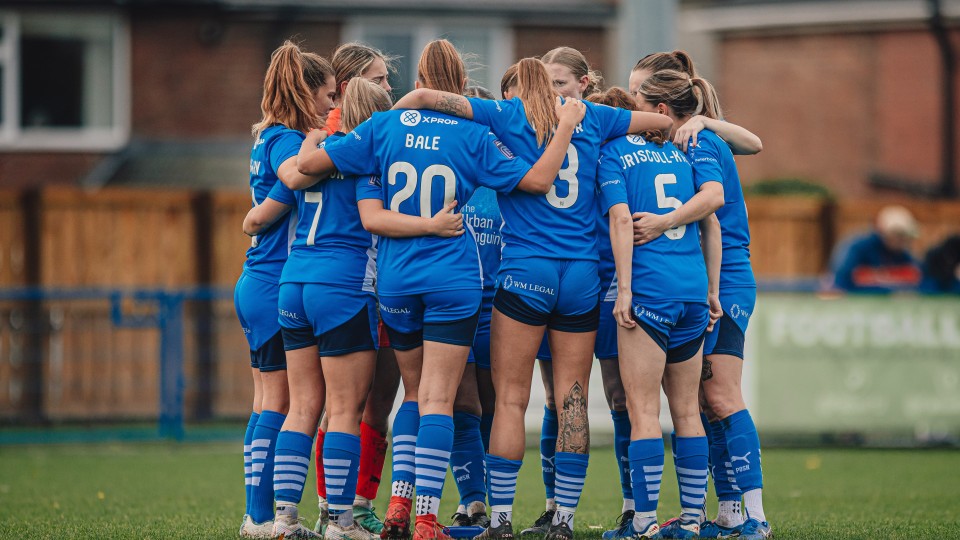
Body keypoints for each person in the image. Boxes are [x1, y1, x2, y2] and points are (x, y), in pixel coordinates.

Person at [296, 39, 586, 540]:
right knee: (439, 399)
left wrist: (319, 133)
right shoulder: (473, 135)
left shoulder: (383, 127)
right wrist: (563, 129)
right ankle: (429, 516)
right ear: (458, 81)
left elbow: (309, 168)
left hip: (396, 282)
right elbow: (538, 182)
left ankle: (396, 510)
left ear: (418, 80)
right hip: (454, 280)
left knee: (412, 394)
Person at [392, 57, 673, 540]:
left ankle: (499, 521)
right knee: (573, 401)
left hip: (526, 272)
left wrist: (397, 125)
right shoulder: (593, 115)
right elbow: (662, 121)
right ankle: (562, 521)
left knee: (511, 401)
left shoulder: (506, 114)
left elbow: (421, 99)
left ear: (519, 88)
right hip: (581, 276)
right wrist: (696, 124)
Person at [618, 53, 764, 540]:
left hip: (724, 275)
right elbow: (752, 144)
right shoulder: (685, 140)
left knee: (719, 394)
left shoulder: (695, 139)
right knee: (700, 403)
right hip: (702, 276)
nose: (630, 104)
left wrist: (662, 221)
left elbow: (714, 207)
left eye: (635, 94)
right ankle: (724, 512)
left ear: (661, 104)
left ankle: (753, 515)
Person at [602, 80, 722, 540]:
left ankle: (645, 523)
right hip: (692, 291)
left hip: (650, 292)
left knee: (644, 412)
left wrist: (625, 290)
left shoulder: (613, 153)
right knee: (688, 411)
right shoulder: (682, 152)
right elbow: (710, 220)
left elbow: (619, 220)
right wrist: (712, 290)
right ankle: (692, 520)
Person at [234, 40, 336, 539]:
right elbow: (290, 178)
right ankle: (260, 517)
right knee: (278, 403)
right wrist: (316, 142)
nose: (333, 106)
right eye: (328, 96)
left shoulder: (269, 135)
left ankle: (254, 515)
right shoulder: (285, 141)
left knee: (264, 403)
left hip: (259, 280)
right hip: (274, 280)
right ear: (307, 92)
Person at [313, 41, 399, 538]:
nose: (390, 87)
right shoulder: (345, 141)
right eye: (381, 78)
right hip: (359, 284)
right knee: (347, 404)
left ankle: (348, 506)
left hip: (361, 283)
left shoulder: (321, 142)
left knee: (368, 401)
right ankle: (341, 508)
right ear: (350, 88)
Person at [447, 84, 501, 530]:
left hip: (499, 307)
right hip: (456, 301)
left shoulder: (503, 177)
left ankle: (495, 501)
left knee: (493, 401)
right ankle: (473, 500)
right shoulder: (447, 177)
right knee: (460, 402)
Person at [832, 205, 922, 293]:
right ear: (883, 231)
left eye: (904, 236)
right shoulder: (857, 248)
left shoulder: (903, 255)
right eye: (898, 234)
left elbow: (920, 280)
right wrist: (891, 291)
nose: (902, 240)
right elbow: (842, 283)